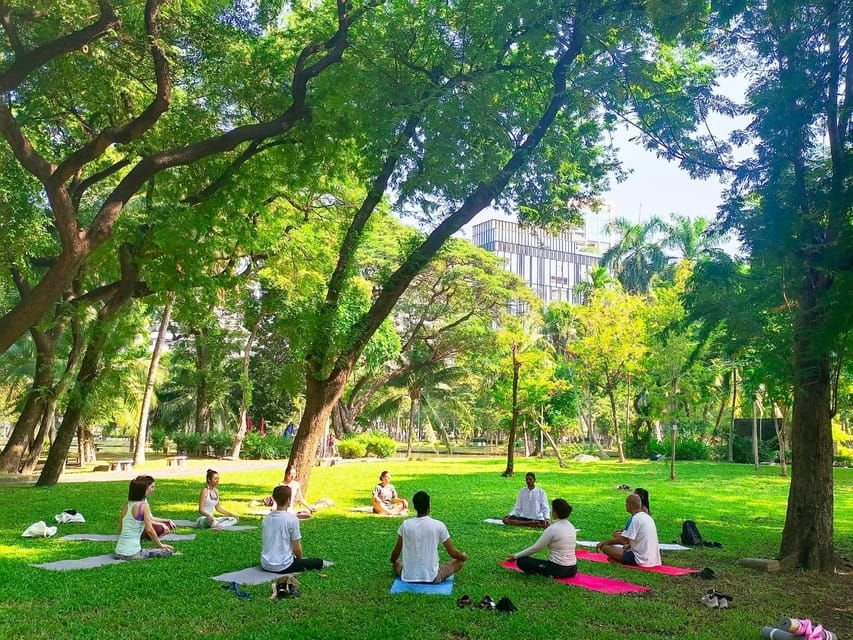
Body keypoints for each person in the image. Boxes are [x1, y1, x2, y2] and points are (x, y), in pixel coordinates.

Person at [390, 491, 468, 583]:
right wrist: (463, 557)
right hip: (432, 577)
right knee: (458, 563)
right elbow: (452, 553)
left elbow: (396, 552)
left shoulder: (406, 524)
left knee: (396, 564)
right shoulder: (438, 525)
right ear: (429, 506)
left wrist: (393, 561)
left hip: (408, 576)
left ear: (415, 507)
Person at [261, 485, 332, 574]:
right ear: (288, 500)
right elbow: (297, 548)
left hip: (265, 564)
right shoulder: (292, 519)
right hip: (283, 566)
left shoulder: (266, 518)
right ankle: (330, 564)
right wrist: (299, 559)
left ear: (274, 499)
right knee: (316, 562)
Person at [507, 498, 577, 578]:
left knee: (522, 561)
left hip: (558, 569)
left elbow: (535, 548)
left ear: (556, 513)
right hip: (573, 569)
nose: (551, 512)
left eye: (552, 510)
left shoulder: (553, 528)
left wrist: (515, 556)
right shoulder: (571, 527)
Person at [114, 476, 175, 560]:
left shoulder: (126, 505)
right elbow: (149, 530)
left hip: (118, 552)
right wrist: (160, 545)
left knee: (148, 550)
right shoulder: (143, 506)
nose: (153, 490)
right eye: (152, 487)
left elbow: (120, 529)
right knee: (168, 551)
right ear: (144, 489)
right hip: (132, 554)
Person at [597, 494, 661, 567]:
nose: (625, 505)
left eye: (626, 503)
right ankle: (618, 560)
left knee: (605, 547)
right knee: (618, 548)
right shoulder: (647, 517)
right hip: (653, 559)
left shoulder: (635, 519)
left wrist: (604, 542)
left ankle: (619, 561)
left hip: (641, 559)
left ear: (630, 505)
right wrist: (629, 545)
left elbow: (623, 540)